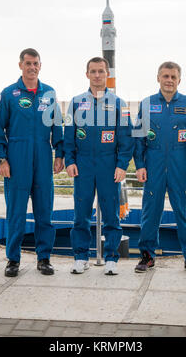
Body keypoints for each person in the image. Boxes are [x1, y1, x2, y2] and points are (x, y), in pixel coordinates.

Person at [0, 48, 64, 277]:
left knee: (44, 212)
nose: (32, 67)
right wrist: (1, 159)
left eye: (36, 64)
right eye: (28, 63)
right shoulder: (9, 94)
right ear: (20, 65)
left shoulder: (49, 93)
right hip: (16, 160)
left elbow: (57, 127)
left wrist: (59, 154)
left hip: (43, 158)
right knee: (16, 213)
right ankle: (13, 259)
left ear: (40, 66)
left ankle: (44, 259)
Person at [133, 61, 186, 275]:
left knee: (185, 213)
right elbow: (139, 138)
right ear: (158, 78)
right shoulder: (147, 104)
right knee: (150, 213)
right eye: (165, 76)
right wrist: (139, 165)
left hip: (181, 167)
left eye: (173, 77)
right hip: (153, 167)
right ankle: (147, 256)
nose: (169, 80)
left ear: (179, 80)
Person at [64, 57, 134, 275]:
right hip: (83, 165)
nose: (97, 75)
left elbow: (126, 137)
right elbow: (69, 136)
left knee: (111, 214)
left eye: (101, 71)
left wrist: (122, 165)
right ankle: (81, 257)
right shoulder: (76, 102)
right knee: (81, 214)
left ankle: (111, 258)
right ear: (87, 74)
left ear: (107, 74)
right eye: (93, 71)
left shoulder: (119, 104)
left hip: (108, 165)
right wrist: (70, 161)